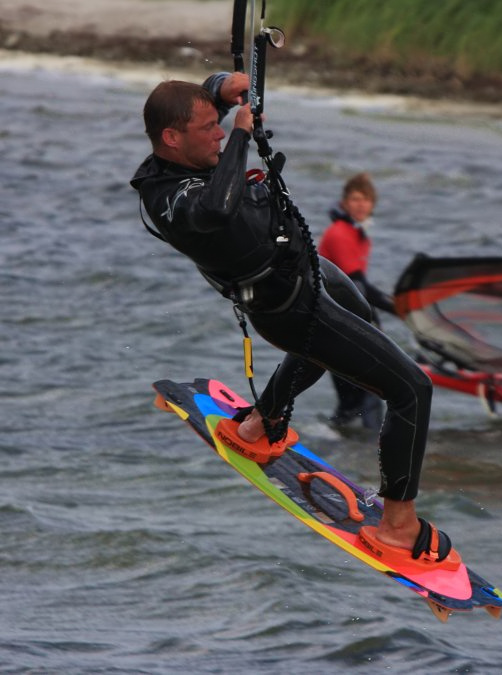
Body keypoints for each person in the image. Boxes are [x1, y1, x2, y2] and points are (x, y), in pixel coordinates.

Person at [130, 71, 451, 562]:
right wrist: (240, 131)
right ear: (172, 138)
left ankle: (261, 422)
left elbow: (196, 106)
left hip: (305, 270)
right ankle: (398, 525)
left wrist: (220, 87)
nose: (217, 132)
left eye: (218, 125)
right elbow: (217, 208)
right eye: (208, 128)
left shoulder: (184, 142)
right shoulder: (170, 201)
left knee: (358, 317)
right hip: (286, 305)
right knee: (412, 389)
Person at [318, 173, 395, 431]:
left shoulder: (358, 233)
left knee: (350, 403)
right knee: (372, 393)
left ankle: (339, 450)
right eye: (355, 199)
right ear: (344, 203)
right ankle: (376, 455)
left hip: (338, 322)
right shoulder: (340, 234)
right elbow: (359, 285)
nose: (361, 205)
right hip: (340, 324)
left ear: (373, 204)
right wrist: (398, 307)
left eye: (366, 200)